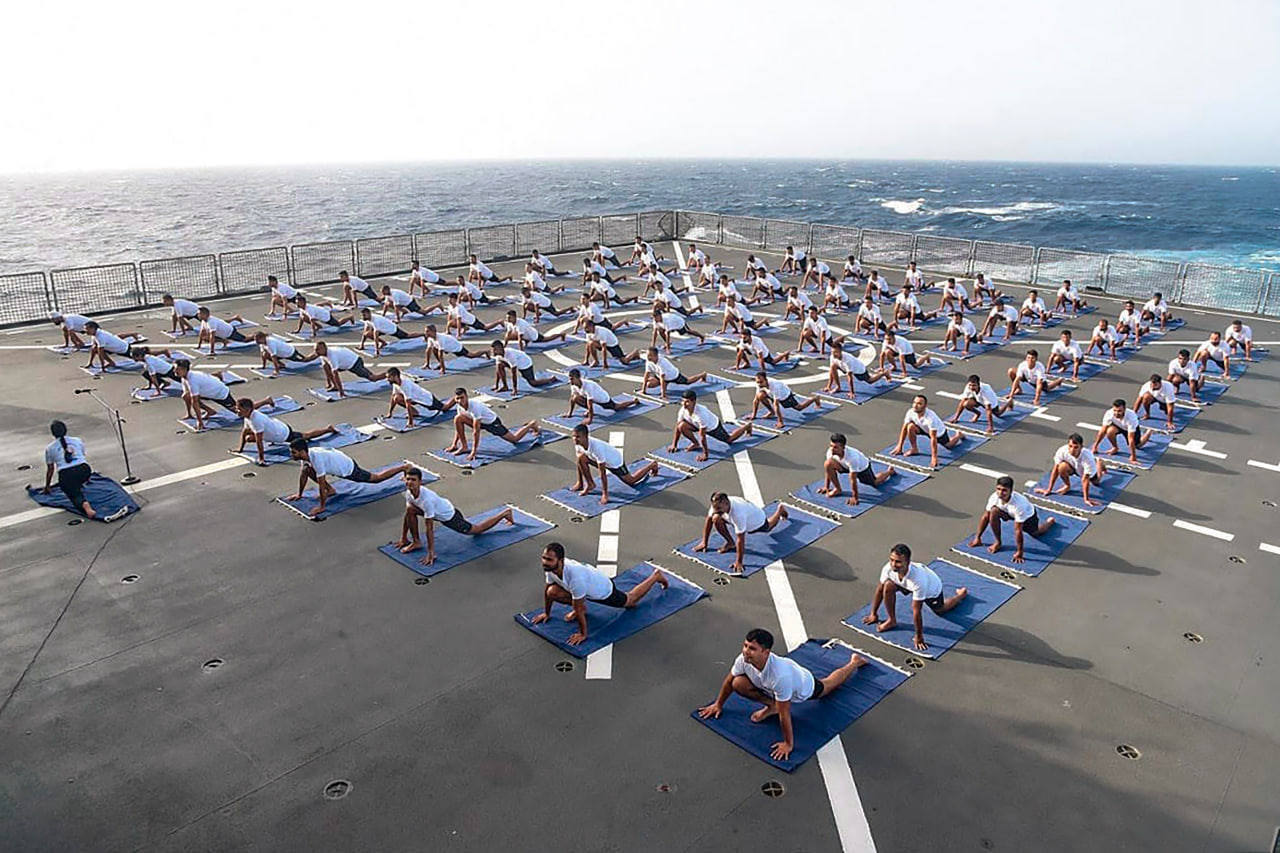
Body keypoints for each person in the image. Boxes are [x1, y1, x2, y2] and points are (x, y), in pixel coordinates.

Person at [697, 627, 867, 762]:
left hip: (802, 687)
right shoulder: (744, 659)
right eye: (745, 646)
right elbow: (729, 681)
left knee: (829, 685)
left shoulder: (780, 677)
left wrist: (788, 744)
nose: (746, 651)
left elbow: (785, 713)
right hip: (769, 686)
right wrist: (718, 704)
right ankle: (771, 706)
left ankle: (853, 663)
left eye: (752, 649)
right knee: (737, 683)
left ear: (766, 652)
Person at [530, 542, 669, 646]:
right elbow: (547, 590)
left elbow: (577, 608)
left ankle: (656, 576)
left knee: (630, 601)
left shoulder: (575, 577)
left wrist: (583, 634)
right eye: (544, 558)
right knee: (552, 591)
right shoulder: (550, 569)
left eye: (549, 560)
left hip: (602, 590)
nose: (544, 562)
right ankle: (582, 605)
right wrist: (546, 613)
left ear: (560, 561)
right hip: (584, 586)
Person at [394, 468, 516, 566]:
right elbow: (408, 515)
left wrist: (431, 553)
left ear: (420, 482)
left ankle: (505, 513)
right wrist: (403, 538)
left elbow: (429, 528)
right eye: (408, 479)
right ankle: (416, 542)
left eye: (413, 480)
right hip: (437, 511)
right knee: (410, 510)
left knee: (477, 530)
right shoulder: (409, 493)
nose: (410, 482)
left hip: (449, 516)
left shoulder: (427, 500)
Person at [861, 543, 968, 651]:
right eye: (891, 560)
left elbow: (916, 611)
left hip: (931, 590)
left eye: (898, 562)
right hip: (905, 584)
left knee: (941, 610)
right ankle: (891, 620)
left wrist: (919, 636)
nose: (893, 564)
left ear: (907, 562)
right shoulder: (888, 568)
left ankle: (960, 595)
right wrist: (873, 614)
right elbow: (880, 590)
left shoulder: (918, 580)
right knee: (888, 586)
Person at [286, 440, 407, 517]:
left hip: (347, 468)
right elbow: (303, 475)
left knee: (376, 478)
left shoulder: (317, 459)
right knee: (307, 470)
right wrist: (299, 494)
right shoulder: (306, 457)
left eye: (294, 452)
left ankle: (403, 468)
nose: (292, 455)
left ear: (302, 451)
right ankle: (331, 490)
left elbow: (321, 485)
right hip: (337, 460)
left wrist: (322, 507)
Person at [969, 476, 1056, 565]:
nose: (1000, 493)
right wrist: (978, 537)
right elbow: (985, 517)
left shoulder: (1019, 504)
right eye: (998, 489)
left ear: (1011, 491)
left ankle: (1049, 522)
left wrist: (1020, 552)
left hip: (1028, 517)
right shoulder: (994, 497)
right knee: (993, 512)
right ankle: (998, 542)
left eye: (1004, 490)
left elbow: (1018, 530)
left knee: (1036, 533)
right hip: (1007, 512)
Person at [693, 492, 789, 573]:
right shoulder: (717, 504)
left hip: (755, 521)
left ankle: (779, 510)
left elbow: (740, 539)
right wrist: (704, 542)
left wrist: (739, 562)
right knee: (716, 518)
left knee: (768, 527)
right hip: (737, 516)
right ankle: (730, 543)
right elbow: (709, 520)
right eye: (715, 508)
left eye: (719, 509)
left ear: (727, 504)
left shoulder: (738, 514)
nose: (716, 510)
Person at [569, 424, 661, 504]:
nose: (574, 439)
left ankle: (652, 465)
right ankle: (589, 484)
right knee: (581, 459)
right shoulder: (578, 444)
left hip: (615, 462)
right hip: (598, 459)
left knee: (631, 481)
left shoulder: (597, 448)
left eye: (578, 437)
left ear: (586, 436)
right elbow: (579, 463)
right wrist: (580, 482)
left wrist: (605, 494)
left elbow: (602, 473)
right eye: (573, 436)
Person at [446, 388, 542, 461]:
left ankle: (531, 424)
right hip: (479, 421)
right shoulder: (459, 406)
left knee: (514, 439)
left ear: (467, 397)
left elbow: (476, 432)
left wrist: (473, 452)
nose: (460, 401)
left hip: (491, 423)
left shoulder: (475, 407)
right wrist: (454, 444)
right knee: (458, 419)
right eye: (457, 399)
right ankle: (464, 446)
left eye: (462, 398)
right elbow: (458, 428)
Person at [41, 420, 111, 520]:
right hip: (84, 470)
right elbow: (82, 456)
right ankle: (82, 482)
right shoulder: (77, 440)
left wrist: (47, 486)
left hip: (67, 474)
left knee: (74, 494)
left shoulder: (49, 448)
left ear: (53, 433)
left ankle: (86, 507)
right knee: (77, 479)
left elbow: (50, 469)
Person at [235, 397, 336, 466]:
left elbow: (259, 441)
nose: (237, 411)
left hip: (282, 434)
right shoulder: (247, 417)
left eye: (239, 409)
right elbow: (245, 431)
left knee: (306, 436)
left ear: (247, 410)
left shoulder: (256, 420)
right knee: (248, 437)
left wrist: (261, 458)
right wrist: (240, 449)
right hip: (274, 427)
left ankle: (328, 429)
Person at [669, 390, 754, 462]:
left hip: (713, 427)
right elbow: (677, 428)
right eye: (683, 401)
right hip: (696, 425)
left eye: (687, 402)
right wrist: (674, 444)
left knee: (729, 440)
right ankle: (695, 444)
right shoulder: (682, 410)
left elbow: (702, 436)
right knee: (681, 426)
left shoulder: (701, 414)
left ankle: (747, 426)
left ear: (693, 401)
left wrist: (705, 454)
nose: (684, 404)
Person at [817, 432, 896, 506]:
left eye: (835, 447)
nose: (832, 449)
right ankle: (838, 489)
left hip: (862, 468)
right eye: (831, 446)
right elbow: (828, 470)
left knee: (875, 482)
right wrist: (826, 487)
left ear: (843, 447)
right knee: (828, 463)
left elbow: (853, 480)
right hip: (844, 465)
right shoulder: (830, 452)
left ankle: (889, 472)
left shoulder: (852, 458)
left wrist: (855, 497)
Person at [1034, 433, 1108, 507]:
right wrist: (1049, 489)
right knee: (1061, 467)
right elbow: (1055, 470)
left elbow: (1085, 480)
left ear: (1081, 447)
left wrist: (1086, 499)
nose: (1072, 450)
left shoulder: (1087, 458)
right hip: (1072, 467)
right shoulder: (1062, 451)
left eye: (1076, 447)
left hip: (1083, 471)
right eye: (1070, 446)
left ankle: (1099, 463)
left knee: (1096, 482)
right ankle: (1067, 486)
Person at [891, 394, 965, 468]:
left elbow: (933, 438)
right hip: (922, 428)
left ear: (925, 405)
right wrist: (899, 446)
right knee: (910, 427)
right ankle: (914, 449)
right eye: (914, 402)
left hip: (939, 433)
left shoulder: (930, 418)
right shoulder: (910, 412)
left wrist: (934, 457)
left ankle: (958, 435)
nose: (915, 405)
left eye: (919, 404)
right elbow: (904, 429)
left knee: (949, 446)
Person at [174, 359, 247, 431]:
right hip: (208, 393)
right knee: (186, 396)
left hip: (220, 394)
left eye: (177, 369)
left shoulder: (193, 380)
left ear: (184, 369)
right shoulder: (184, 377)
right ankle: (209, 411)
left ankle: (256, 405)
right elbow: (188, 395)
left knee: (241, 412)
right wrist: (190, 415)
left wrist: (200, 422)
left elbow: (195, 402)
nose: (175, 371)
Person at [745, 371, 824, 429]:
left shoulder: (775, 386)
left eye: (761, 382)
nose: (759, 384)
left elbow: (776, 405)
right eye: (758, 382)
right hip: (771, 394)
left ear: (766, 380)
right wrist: (753, 415)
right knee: (760, 396)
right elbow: (756, 400)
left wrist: (780, 422)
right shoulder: (760, 384)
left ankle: (815, 398)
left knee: (799, 408)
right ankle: (771, 412)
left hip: (785, 395)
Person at [562, 368, 641, 424]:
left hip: (602, 399)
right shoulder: (573, 385)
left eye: (572, 379)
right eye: (570, 379)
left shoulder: (588, 386)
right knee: (575, 398)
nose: (570, 381)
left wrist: (590, 418)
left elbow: (590, 403)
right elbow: (572, 399)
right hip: (588, 397)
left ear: (578, 378)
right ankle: (589, 412)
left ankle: (634, 401)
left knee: (617, 407)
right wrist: (569, 413)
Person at [386, 366, 456, 427]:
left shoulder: (405, 385)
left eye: (389, 377)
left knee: (445, 408)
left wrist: (410, 422)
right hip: (415, 399)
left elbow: (408, 404)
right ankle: (414, 412)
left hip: (427, 399)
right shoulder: (395, 384)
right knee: (396, 398)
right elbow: (393, 397)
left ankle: (456, 398)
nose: (387, 379)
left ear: (396, 376)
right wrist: (390, 412)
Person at [314, 340, 388, 397]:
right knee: (326, 366)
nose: (316, 352)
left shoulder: (332, 356)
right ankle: (335, 386)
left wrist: (341, 392)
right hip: (346, 362)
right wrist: (303, 359)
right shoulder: (323, 354)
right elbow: (311, 358)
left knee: (373, 378)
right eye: (315, 349)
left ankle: (389, 374)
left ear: (324, 348)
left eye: (317, 349)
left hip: (355, 363)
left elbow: (335, 375)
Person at [1092, 398, 1156, 463]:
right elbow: (1102, 431)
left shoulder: (1131, 417)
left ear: (1124, 409)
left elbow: (1130, 439)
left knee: (1138, 446)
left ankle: (1148, 432)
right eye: (1115, 410)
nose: (1116, 413)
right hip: (1118, 426)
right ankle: (1115, 447)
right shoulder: (1109, 413)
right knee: (1109, 431)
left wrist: (1133, 456)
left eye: (1119, 411)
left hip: (1129, 429)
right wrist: (1095, 446)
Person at [948, 374, 1016, 434]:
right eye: (970, 385)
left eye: (974, 385)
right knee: (966, 404)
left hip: (989, 401)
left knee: (998, 414)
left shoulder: (986, 392)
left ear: (979, 384)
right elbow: (962, 401)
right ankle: (978, 414)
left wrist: (990, 427)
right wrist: (956, 418)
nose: (971, 387)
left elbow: (988, 410)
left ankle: (1009, 402)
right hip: (977, 399)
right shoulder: (968, 387)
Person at [825, 339, 890, 398]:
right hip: (843, 367)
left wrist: (852, 392)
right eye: (832, 352)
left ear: (841, 351)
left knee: (870, 381)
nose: (834, 354)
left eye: (836, 352)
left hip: (859, 369)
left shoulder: (848, 360)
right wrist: (829, 386)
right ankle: (838, 387)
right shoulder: (832, 357)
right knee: (833, 367)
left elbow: (850, 378)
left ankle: (884, 373)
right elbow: (831, 372)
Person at [490, 340, 558, 394]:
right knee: (499, 366)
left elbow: (514, 374)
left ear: (501, 348)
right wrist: (496, 385)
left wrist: (515, 389)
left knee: (533, 383)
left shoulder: (510, 355)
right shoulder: (498, 356)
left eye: (495, 349)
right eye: (493, 349)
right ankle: (505, 386)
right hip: (513, 362)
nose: (493, 352)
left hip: (525, 363)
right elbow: (498, 371)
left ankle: (551, 379)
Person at [638, 347, 709, 399]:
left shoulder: (662, 363)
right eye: (647, 355)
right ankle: (652, 381)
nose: (648, 357)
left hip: (673, 375)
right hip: (659, 375)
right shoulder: (648, 361)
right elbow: (646, 375)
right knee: (649, 384)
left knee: (688, 381)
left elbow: (664, 380)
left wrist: (663, 395)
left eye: (650, 355)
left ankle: (703, 374)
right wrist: (643, 390)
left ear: (656, 356)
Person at [497, 309, 568, 350]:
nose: (507, 319)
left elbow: (519, 339)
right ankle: (527, 340)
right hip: (525, 335)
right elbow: (508, 334)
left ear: (514, 317)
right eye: (507, 318)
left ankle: (561, 334)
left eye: (509, 318)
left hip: (533, 336)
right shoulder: (510, 323)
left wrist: (521, 350)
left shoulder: (521, 324)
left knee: (547, 339)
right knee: (509, 336)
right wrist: (505, 345)